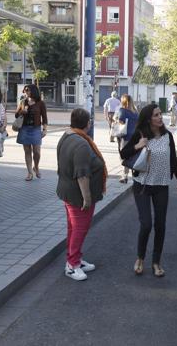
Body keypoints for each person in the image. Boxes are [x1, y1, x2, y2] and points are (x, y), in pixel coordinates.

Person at [120, 104, 177, 277]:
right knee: (146, 223)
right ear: (149, 118)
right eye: (156, 115)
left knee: (160, 225)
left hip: (162, 185)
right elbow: (123, 154)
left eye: (160, 114)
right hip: (142, 185)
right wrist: (138, 145)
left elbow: (173, 161)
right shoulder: (140, 134)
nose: (160, 117)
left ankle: (156, 262)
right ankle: (140, 258)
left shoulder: (167, 136)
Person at [57, 108, 107, 281]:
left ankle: (75, 259)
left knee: (73, 228)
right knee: (80, 229)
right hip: (78, 196)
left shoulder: (67, 136)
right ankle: (72, 265)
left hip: (68, 192)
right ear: (88, 123)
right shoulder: (81, 144)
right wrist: (87, 197)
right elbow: (82, 174)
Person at [15, 84, 48, 181]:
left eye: (28, 90)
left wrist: (45, 129)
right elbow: (16, 115)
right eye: (25, 90)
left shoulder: (40, 103)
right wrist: (22, 112)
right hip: (24, 129)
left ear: (33, 91)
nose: (26, 92)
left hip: (36, 129)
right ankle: (29, 172)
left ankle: (36, 167)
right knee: (27, 151)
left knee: (37, 152)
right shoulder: (23, 102)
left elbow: (45, 118)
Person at [114, 94, 138, 183]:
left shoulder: (122, 110)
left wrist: (115, 120)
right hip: (135, 137)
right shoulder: (135, 112)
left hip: (125, 137)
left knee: (124, 156)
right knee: (133, 155)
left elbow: (120, 121)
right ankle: (134, 175)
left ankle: (124, 176)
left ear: (123, 101)